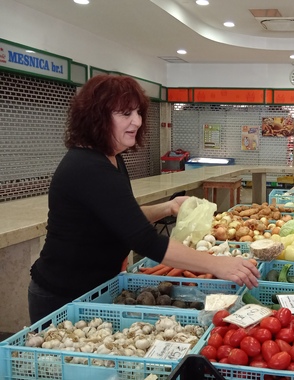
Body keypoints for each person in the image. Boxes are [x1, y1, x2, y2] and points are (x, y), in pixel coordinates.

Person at [28, 75, 260, 323]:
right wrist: (216, 264)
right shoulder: (87, 167)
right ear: (96, 116)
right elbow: (145, 240)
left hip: (96, 287)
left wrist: (168, 207)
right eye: (125, 113)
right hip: (63, 295)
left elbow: (122, 218)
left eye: (138, 112)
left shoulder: (112, 158)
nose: (136, 121)